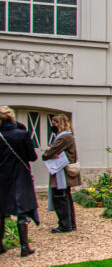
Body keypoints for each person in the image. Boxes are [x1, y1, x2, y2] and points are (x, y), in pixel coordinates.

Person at [0, 105, 38, 257]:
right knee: (22, 212)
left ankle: (0, 245)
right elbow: (32, 157)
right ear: (11, 117)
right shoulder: (22, 134)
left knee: (1, 212)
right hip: (20, 175)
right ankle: (24, 247)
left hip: (2, 177)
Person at [42, 114, 81, 233]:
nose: (53, 126)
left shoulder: (63, 137)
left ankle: (65, 224)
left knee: (60, 197)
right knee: (66, 197)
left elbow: (49, 153)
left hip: (62, 173)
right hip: (62, 172)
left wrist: (48, 151)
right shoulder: (67, 136)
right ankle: (70, 223)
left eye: (55, 124)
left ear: (60, 124)